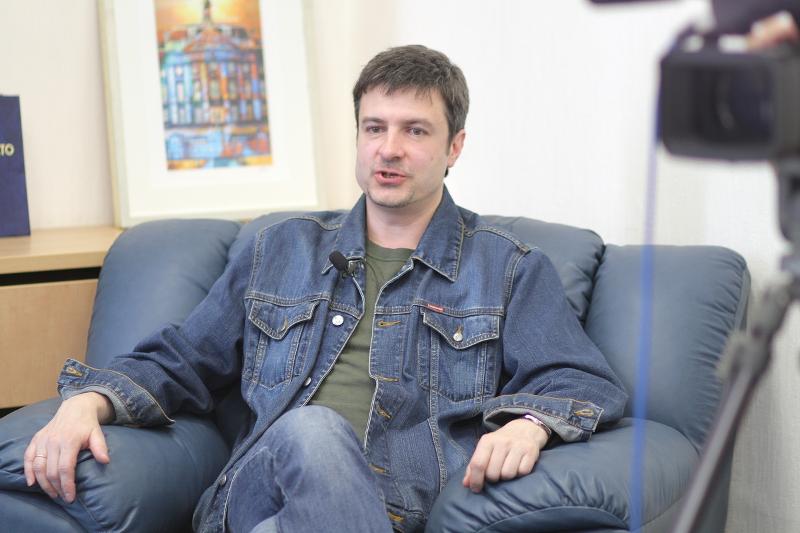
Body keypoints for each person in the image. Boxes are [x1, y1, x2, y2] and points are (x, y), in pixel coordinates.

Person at [25, 45, 628, 533]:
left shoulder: (507, 268)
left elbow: (581, 379)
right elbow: (183, 359)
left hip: (403, 509)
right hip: (262, 485)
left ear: (454, 147)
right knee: (310, 429)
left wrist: (530, 423)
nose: (389, 148)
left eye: (415, 130)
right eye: (374, 127)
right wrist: (88, 400)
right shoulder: (281, 249)